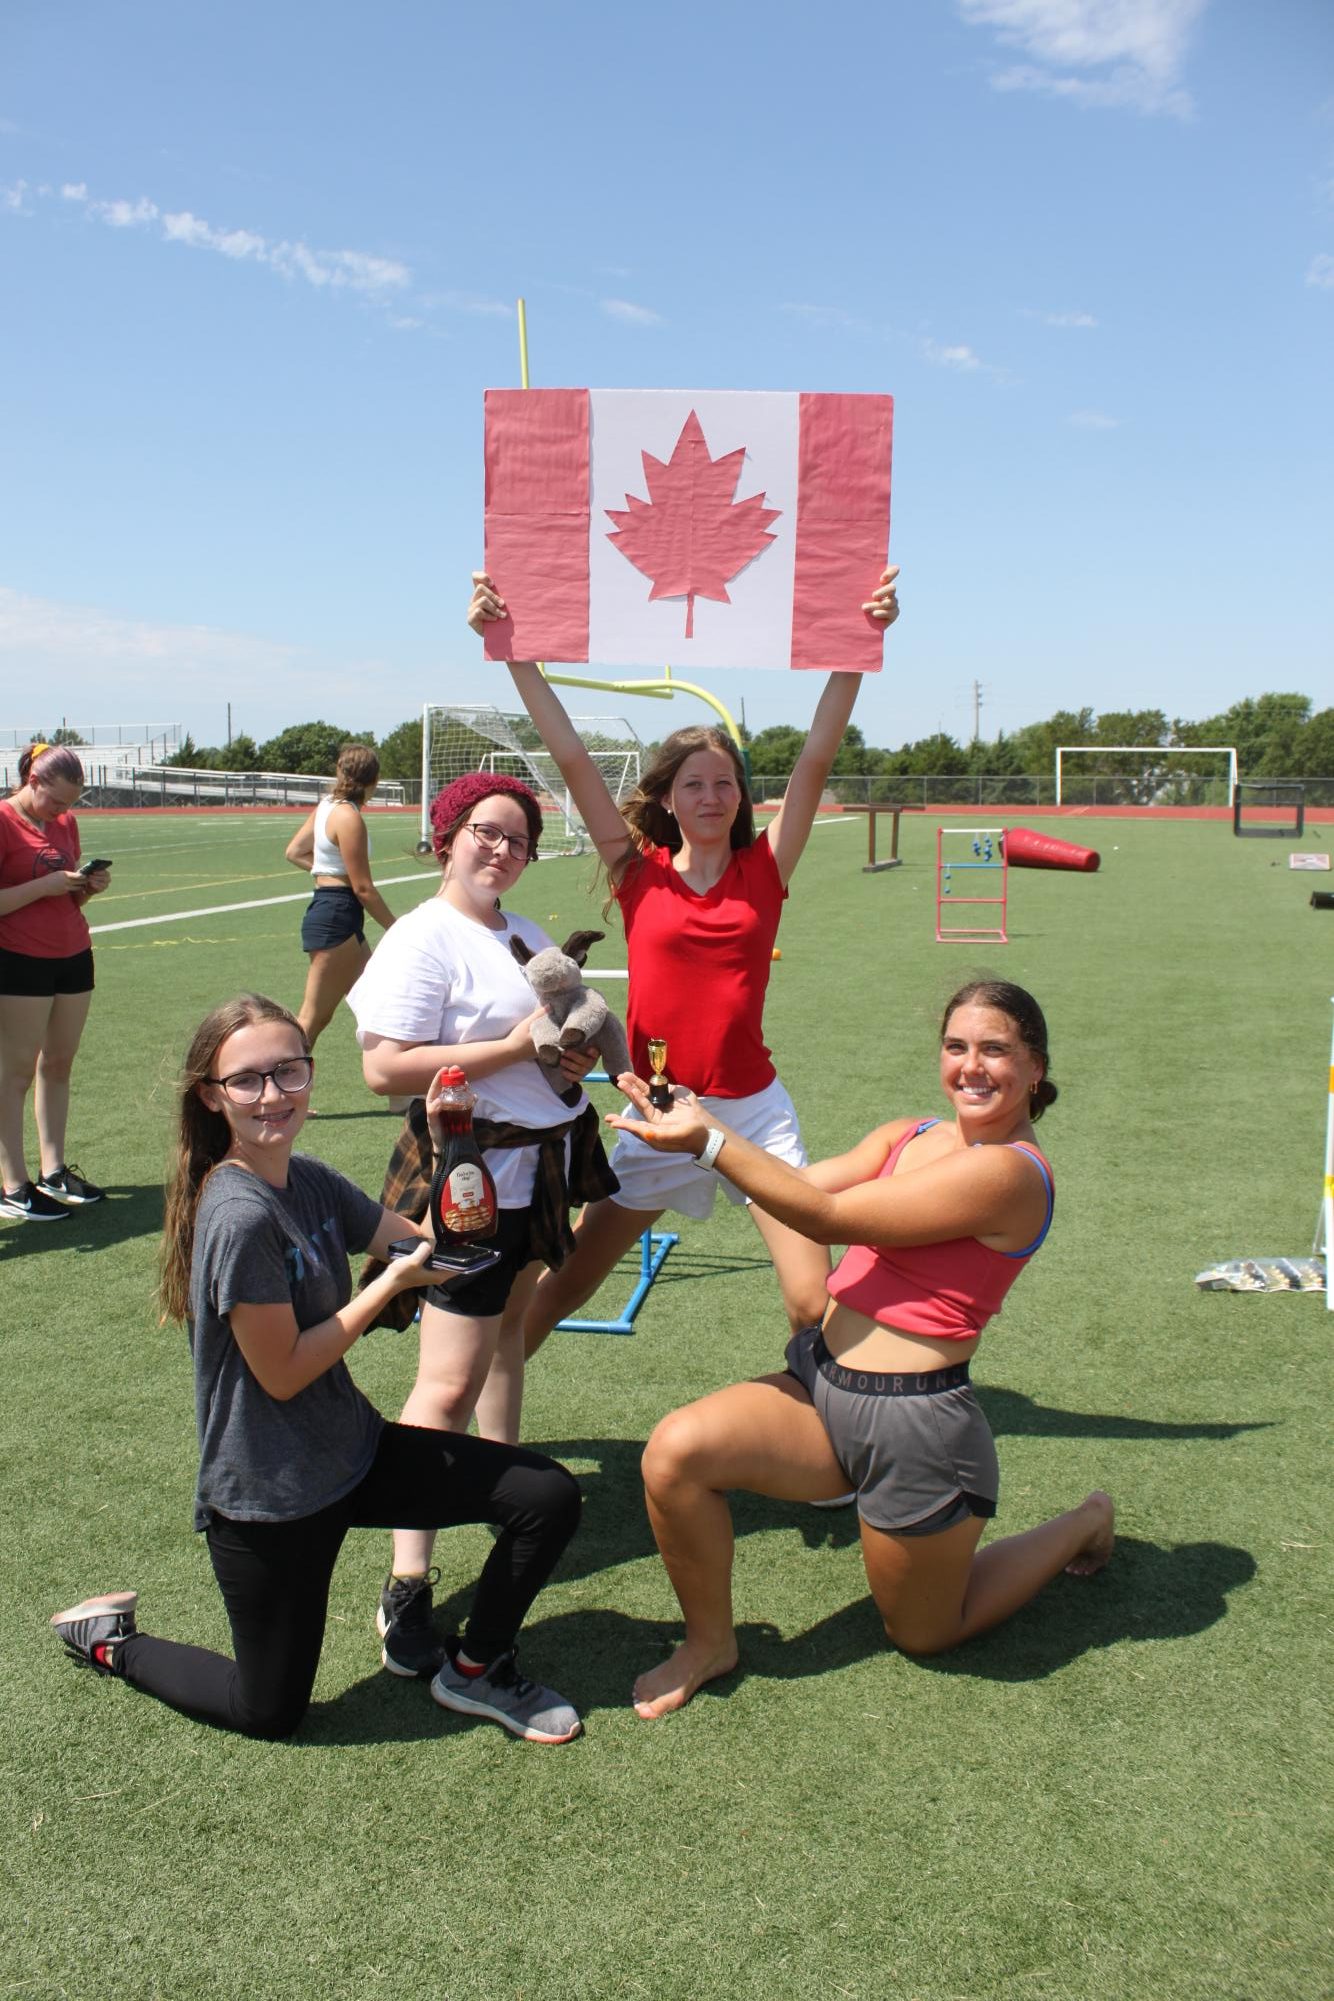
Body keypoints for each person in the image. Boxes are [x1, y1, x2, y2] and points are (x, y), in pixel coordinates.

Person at [48, 993, 583, 1743]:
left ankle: (475, 1669)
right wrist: (386, 1289)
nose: (273, 1094)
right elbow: (285, 1372)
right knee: (267, 1711)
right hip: (269, 1497)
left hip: (351, 1450)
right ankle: (110, 1638)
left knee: (546, 1496)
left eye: (289, 1071)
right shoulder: (236, 1215)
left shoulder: (311, 1179)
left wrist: (446, 1147)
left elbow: (421, 1243)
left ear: (309, 1073)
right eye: (248, 1079)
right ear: (212, 1094)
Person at [603, 980, 1114, 1719]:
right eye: (957, 1046)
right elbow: (796, 1190)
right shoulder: (907, 1134)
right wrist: (697, 1125)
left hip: (916, 1429)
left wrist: (712, 1141)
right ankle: (710, 1640)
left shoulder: (1009, 1174)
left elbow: (827, 1212)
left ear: (1035, 1067)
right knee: (675, 1453)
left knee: (926, 1632)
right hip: (821, 1381)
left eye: (996, 1049)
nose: (972, 1066)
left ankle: (1082, 1519)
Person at [466, 565, 900, 1358]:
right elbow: (570, 759)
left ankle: (835, 1436)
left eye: (725, 783)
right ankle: (478, 1412)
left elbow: (814, 759)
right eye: (694, 783)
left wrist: (859, 645)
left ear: (740, 797)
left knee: (812, 1299)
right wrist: (510, 651)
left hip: (755, 1114)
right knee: (564, 1285)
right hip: (663, 1113)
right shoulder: (639, 874)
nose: (711, 795)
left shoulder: (763, 872)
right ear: (668, 796)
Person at [346, 772, 612, 1674]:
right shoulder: (423, 937)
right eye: (484, 832)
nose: (500, 849)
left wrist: (574, 1059)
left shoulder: (525, 934)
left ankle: (512, 1510)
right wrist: (517, 1047)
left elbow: (553, 1048)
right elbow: (386, 1068)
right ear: (446, 835)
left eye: (518, 838)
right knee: (447, 1381)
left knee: (505, 1347)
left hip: (535, 1167)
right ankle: (406, 1585)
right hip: (466, 1176)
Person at [0, 740, 110, 1222]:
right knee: (15, 1071)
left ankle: (54, 1169)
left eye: (71, 804)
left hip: (72, 952)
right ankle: (12, 1183)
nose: (63, 811)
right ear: (33, 781)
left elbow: (66, 899)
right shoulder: (4, 821)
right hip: (19, 958)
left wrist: (86, 888)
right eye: (57, 800)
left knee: (59, 1063)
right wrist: (43, 886)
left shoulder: (64, 823)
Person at [284, 743, 396, 1048]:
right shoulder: (349, 817)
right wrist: (398, 929)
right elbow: (363, 889)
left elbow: (294, 852)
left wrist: (326, 872)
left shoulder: (326, 807)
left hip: (336, 912)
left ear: (339, 771)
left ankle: (405, 1084)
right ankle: (277, 1079)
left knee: (377, 1003)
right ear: (374, 781)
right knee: (312, 1019)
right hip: (336, 915)